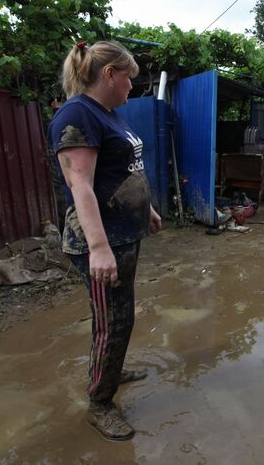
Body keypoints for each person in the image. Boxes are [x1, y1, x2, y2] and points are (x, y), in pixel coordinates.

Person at [48, 40, 161, 441]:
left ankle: (110, 369)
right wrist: (98, 247)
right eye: (129, 78)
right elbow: (80, 184)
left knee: (119, 318)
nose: (133, 86)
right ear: (110, 75)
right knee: (112, 322)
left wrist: (144, 208)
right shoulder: (77, 114)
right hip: (102, 240)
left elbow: (122, 169)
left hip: (122, 234)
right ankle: (100, 402)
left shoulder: (108, 113)